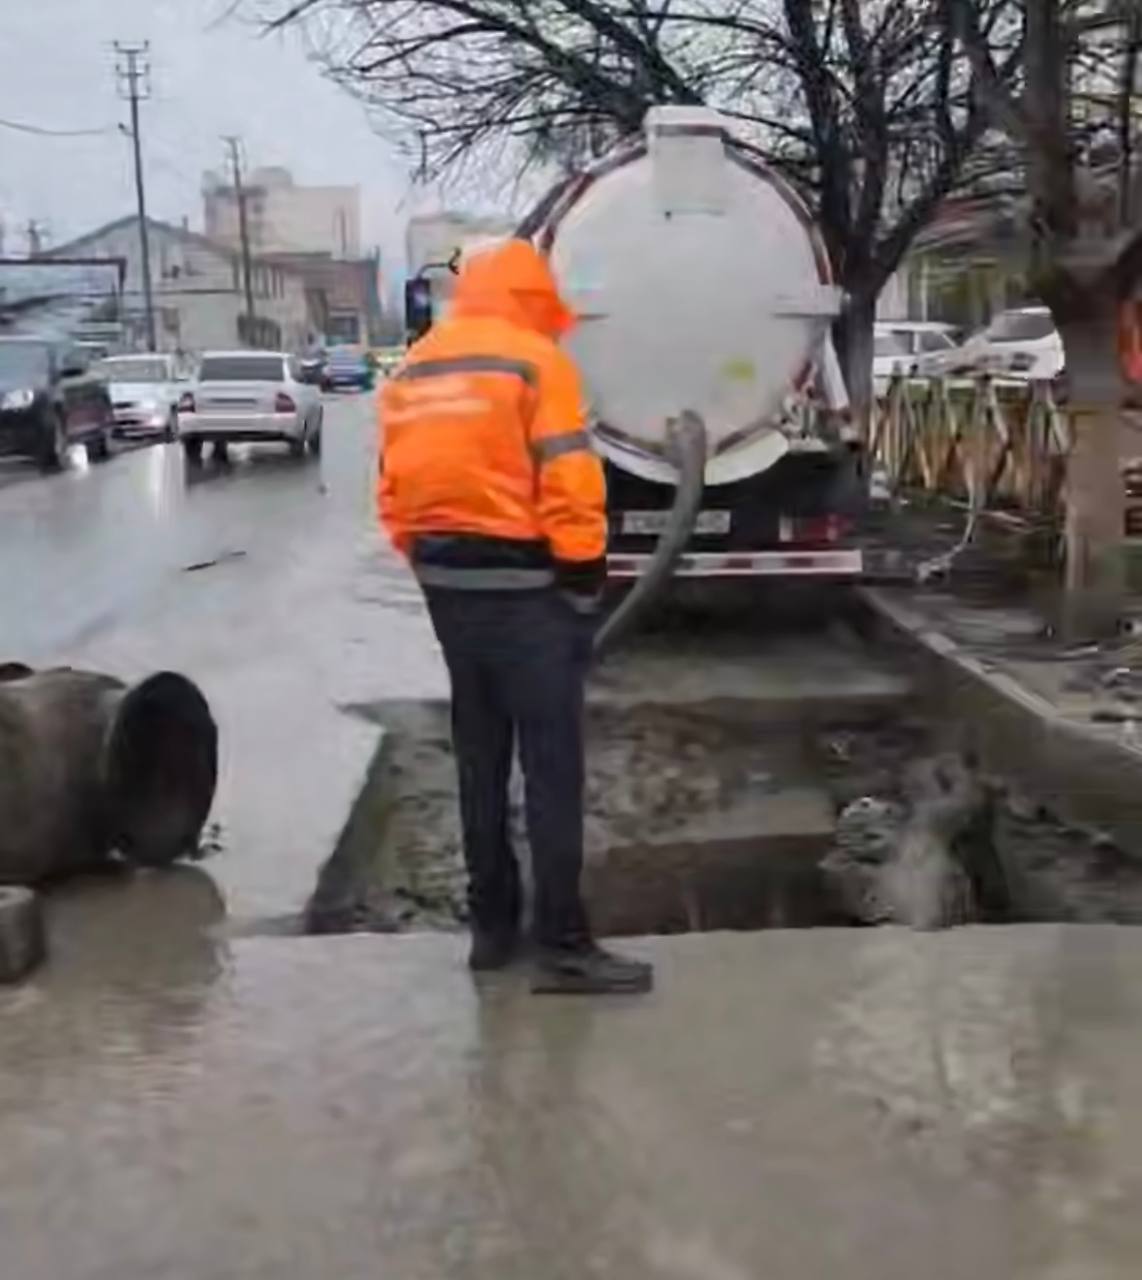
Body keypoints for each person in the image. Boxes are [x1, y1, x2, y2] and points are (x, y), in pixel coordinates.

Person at [378, 239, 652, 995]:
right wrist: (583, 570)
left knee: (480, 753)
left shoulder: (417, 363)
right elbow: (569, 473)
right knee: (551, 763)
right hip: (525, 583)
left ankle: (491, 930)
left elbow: (392, 483)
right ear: (531, 299)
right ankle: (563, 945)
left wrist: (425, 557)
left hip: (445, 581)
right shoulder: (537, 362)